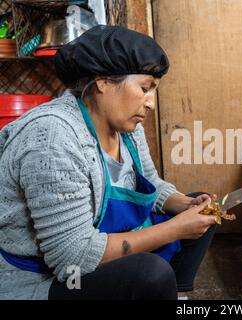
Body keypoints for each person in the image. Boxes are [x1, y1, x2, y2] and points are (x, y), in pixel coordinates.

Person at [0, 25, 218, 300]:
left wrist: (185, 206)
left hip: (96, 241)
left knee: (203, 211)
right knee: (150, 274)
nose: (150, 103)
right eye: (144, 88)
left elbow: (150, 183)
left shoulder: (127, 127)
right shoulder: (53, 137)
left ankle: (177, 295)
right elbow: (71, 257)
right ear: (103, 81)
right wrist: (174, 229)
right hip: (50, 275)